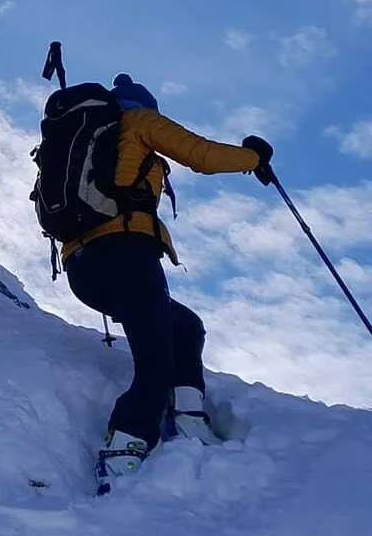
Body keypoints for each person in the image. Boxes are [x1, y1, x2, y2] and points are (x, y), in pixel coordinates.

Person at [58, 74, 274, 489]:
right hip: (127, 256)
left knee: (183, 326)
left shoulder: (83, 141)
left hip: (83, 269)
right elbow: (203, 154)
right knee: (155, 362)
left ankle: (189, 415)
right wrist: (253, 159)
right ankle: (124, 446)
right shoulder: (138, 122)